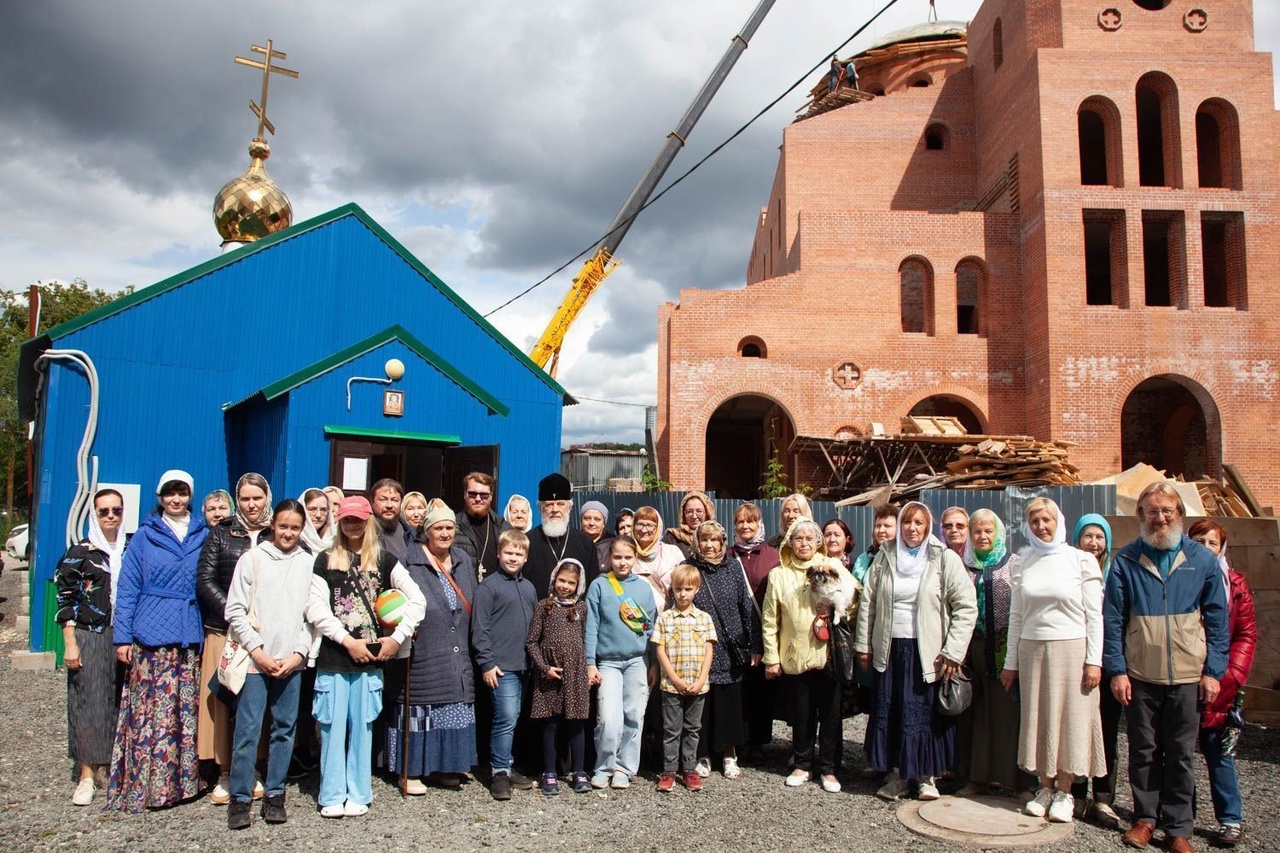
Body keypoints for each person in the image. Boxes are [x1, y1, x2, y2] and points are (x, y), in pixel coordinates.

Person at [1103, 481, 1228, 853]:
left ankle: (1178, 828)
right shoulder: (1126, 560)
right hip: (1141, 672)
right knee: (1143, 749)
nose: (1160, 518)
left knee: (1181, 752)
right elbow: (1113, 619)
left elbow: (1219, 620)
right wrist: (1117, 670)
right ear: (1140, 515)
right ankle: (1144, 818)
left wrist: (1213, 671)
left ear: (1178, 514)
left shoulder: (1200, 560)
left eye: (1167, 511)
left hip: (1189, 673)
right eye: (1152, 511)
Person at [306, 496, 424, 818]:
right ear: (339, 522)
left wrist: (396, 638)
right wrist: (346, 641)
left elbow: (417, 601)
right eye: (347, 520)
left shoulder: (385, 561)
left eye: (358, 519)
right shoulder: (324, 560)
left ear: (368, 520)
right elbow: (316, 608)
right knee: (331, 727)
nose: (353, 525)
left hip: (371, 660)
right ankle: (330, 793)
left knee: (363, 728)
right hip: (334, 657)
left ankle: (359, 792)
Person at [856, 501, 976, 802]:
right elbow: (868, 602)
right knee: (892, 711)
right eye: (907, 522)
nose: (911, 528)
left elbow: (965, 606)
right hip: (890, 647)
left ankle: (925, 777)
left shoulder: (943, 558)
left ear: (928, 527)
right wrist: (863, 645)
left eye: (918, 523)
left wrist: (953, 651)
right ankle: (895, 775)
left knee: (924, 716)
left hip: (928, 652)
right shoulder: (885, 557)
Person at [106, 470, 209, 813]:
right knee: (151, 713)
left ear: (191, 495)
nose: (176, 499)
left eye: (182, 493)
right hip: (152, 634)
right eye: (170, 494)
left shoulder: (202, 532)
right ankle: (148, 786)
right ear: (160, 496)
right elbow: (128, 588)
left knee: (184, 710)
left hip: (189, 633)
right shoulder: (145, 536)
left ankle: (183, 783)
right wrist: (122, 636)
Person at [999, 498, 1105, 823]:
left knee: (1069, 719)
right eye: (1034, 522)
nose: (1041, 527)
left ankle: (1065, 792)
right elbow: (1016, 615)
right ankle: (1043, 787)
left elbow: (1094, 616)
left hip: (1071, 649)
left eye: (1046, 520)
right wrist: (1010, 662)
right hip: (1032, 649)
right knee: (1039, 717)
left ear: (1058, 521)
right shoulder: (1024, 562)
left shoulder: (1081, 560)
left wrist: (1094, 661)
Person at [223, 499, 315, 830]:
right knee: (247, 730)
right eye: (283, 526)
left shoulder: (308, 563)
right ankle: (240, 797)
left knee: (284, 728)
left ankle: (275, 794)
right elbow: (234, 609)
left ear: (302, 529)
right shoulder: (253, 559)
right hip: (254, 661)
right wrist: (257, 651)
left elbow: (311, 615)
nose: (288, 533)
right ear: (272, 525)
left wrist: (299, 654)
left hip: (291, 661)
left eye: (295, 527)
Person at [387, 504, 479, 792]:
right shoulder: (407, 560)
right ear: (426, 532)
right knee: (419, 707)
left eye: (449, 528)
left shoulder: (463, 559)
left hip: (456, 646)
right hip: (423, 647)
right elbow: (392, 600)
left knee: (453, 704)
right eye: (438, 528)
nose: (445, 533)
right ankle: (410, 770)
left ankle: (446, 766)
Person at [762, 517, 856, 793]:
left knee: (831, 714)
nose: (804, 543)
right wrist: (771, 656)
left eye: (809, 538)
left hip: (828, 654)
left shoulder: (833, 566)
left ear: (819, 541)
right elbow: (769, 618)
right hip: (795, 652)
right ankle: (802, 764)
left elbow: (855, 598)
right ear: (790, 542)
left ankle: (829, 769)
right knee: (802, 714)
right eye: (798, 538)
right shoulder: (779, 575)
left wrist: (839, 611)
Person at [196, 472, 273, 803]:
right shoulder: (222, 533)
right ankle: (226, 771)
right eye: (245, 499)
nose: (251, 504)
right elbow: (205, 580)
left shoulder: (276, 533)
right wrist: (236, 615)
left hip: (265, 634)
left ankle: (253, 767)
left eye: (257, 498)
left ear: (267, 498)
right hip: (225, 631)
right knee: (224, 698)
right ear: (237, 501)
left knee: (256, 704)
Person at [55, 487, 129, 806]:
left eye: (115, 510)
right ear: (94, 515)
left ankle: (111, 765)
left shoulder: (130, 547)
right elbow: (65, 599)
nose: (110, 516)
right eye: (104, 511)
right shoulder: (81, 552)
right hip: (90, 632)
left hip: (125, 634)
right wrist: (70, 642)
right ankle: (87, 774)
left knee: (117, 699)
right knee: (88, 700)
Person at [1188, 519, 1256, 848]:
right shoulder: (1180, 578)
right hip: (1184, 679)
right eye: (1197, 541)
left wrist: (1229, 676)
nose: (1204, 548)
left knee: (1219, 753)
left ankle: (1230, 819)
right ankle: (1180, 817)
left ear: (1221, 547)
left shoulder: (1235, 584)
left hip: (1221, 682)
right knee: (1179, 753)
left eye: (1211, 542)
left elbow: (1245, 634)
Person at [954, 509, 1030, 798]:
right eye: (977, 532)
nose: (983, 537)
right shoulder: (962, 566)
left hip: (1004, 650)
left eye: (988, 531)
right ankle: (976, 777)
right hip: (971, 648)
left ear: (998, 533)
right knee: (975, 715)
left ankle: (1018, 781)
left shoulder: (1015, 565)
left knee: (1008, 713)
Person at [686, 521, 758, 780]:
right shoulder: (689, 568)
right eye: (704, 539)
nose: (709, 544)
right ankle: (703, 754)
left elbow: (746, 608)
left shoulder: (733, 567)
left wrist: (754, 646)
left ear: (722, 542)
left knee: (729, 704)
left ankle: (729, 754)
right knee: (701, 705)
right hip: (698, 648)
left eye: (714, 540)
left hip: (729, 648)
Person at [472, 528, 539, 800]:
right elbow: (479, 628)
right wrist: (486, 663)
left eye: (518, 553)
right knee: (505, 719)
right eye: (508, 552)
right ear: (498, 553)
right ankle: (499, 771)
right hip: (502, 667)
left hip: (524, 665)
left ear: (525, 557)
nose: (513, 558)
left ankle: (507, 766)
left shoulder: (528, 587)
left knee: (513, 719)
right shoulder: (488, 587)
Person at [586, 536, 657, 789]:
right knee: (608, 717)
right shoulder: (599, 586)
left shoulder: (644, 588)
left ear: (635, 558)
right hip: (608, 663)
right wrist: (589, 662)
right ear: (609, 558)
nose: (623, 562)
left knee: (634, 716)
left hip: (637, 661)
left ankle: (624, 768)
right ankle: (604, 766)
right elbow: (591, 626)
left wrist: (653, 664)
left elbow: (651, 629)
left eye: (628, 557)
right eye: (617, 557)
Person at [1069, 513, 1122, 828]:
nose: (1093, 543)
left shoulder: (1116, 573)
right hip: (1077, 659)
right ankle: (1075, 791)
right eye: (1087, 536)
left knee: (1107, 730)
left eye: (1099, 537)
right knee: (1077, 727)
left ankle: (1103, 797)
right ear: (1077, 539)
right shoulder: (1069, 570)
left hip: (1109, 661)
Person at [526, 559, 591, 795]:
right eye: (562, 580)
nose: (565, 586)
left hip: (575, 673)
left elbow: (585, 637)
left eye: (570, 583)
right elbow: (531, 641)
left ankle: (579, 771)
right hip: (549, 675)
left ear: (578, 585)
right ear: (554, 579)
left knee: (576, 723)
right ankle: (549, 772)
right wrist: (545, 668)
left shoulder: (581, 608)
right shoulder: (544, 606)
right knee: (551, 724)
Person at [653, 563, 717, 792]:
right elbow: (660, 650)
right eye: (678, 589)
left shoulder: (704, 618)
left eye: (688, 589)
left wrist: (701, 680)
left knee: (693, 727)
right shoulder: (665, 618)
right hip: (671, 685)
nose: (682, 594)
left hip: (698, 685)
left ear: (696, 589)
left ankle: (689, 768)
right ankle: (669, 770)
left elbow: (709, 650)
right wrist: (675, 679)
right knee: (672, 729)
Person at [731, 502, 781, 759]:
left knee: (762, 689)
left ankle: (758, 742)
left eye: (750, 521)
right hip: (736, 633)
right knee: (738, 689)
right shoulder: (728, 555)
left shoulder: (774, 555)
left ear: (759, 524)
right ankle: (738, 740)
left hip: (765, 629)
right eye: (740, 522)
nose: (745, 526)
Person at [523, 473, 599, 598]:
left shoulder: (585, 542)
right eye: (548, 504)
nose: (555, 509)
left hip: (575, 615)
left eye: (560, 504)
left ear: (569, 507)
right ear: (540, 508)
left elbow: (592, 586)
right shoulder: (527, 541)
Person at [455, 472, 510, 581]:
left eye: (484, 495)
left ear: (491, 496)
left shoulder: (503, 527)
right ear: (465, 494)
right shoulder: (453, 526)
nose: (478, 499)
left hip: (495, 594)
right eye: (472, 494)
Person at [631, 506, 684, 616]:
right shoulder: (626, 554)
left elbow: (686, 583)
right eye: (640, 524)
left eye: (650, 525)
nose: (644, 529)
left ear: (658, 527)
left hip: (670, 619)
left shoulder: (672, 552)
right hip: (637, 621)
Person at [852, 503, 898, 586]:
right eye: (878, 526)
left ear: (898, 530)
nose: (881, 530)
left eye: (887, 526)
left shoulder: (904, 559)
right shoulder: (863, 559)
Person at [662, 491, 714, 559]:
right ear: (683, 514)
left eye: (699, 511)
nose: (694, 516)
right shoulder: (672, 538)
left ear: (707, 513)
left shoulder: (715, 536)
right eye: (689, 512)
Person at [370, 478, 411, 564]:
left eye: (394, 500)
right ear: (372, 502)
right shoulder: (363, 532)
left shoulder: (410, 534)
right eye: (383, 500)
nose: (389, 505)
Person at [300, 487, 334, 554]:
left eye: (323, 510)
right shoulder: (295, 541)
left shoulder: (334, 542)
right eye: (312, 509)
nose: (318, 515)